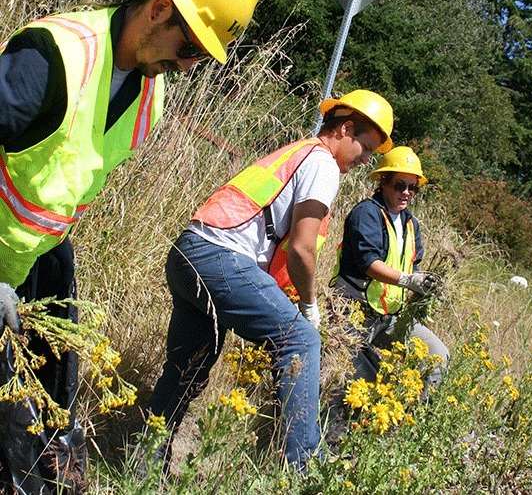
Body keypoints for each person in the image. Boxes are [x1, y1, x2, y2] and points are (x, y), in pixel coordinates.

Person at [0, 0, 260, 494]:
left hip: (40, 259)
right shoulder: (57, 55)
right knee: (13, 428)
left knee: (50, 416)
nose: (187, 66)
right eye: (190, 48)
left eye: (200, 58)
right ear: (160, 8)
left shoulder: (149, 96)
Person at [146, 90, 394, 472]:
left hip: (188, 252)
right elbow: (302, 249)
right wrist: (309, 307)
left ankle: (144, 464)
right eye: (367, 148)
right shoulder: (322, 163)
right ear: (346, 129)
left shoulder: (298, 152)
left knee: (188, 367)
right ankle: (302, 470)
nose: (366, 160)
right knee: (301, 339)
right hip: (219, 258)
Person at [331, 146, 449, 392]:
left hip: (389, 316)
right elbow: (368, 263)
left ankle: (417, 412)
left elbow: (412, 266)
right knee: (350, 378)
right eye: (400, 185)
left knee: (438, 355)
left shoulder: (410, 223)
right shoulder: (366, 213)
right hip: (352, 310)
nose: (406, 193)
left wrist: (426, 282)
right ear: (383, 182)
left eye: (413, 187)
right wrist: (408, 281)